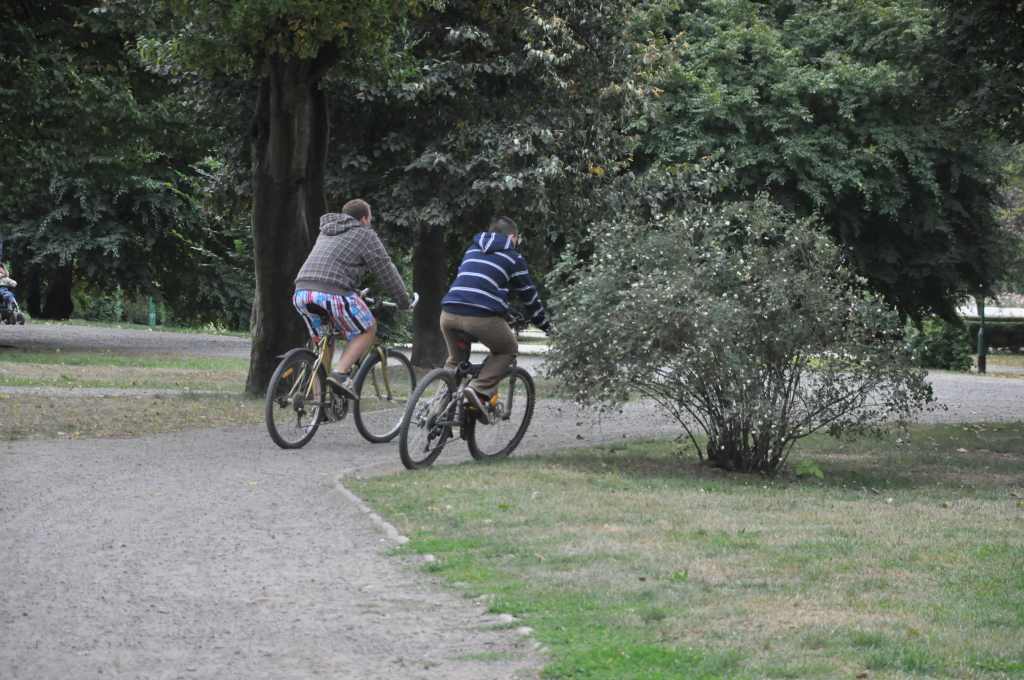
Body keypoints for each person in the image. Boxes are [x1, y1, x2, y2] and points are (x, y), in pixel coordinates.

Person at [293, 198, 411, 399]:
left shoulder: (326, 231)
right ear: (364, 218)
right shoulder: (364, 234)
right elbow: (385, 269)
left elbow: (332, 267)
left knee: (324, 341)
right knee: (367, 328)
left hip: (302, 292)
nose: (370, 223)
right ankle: (340, 373)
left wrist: (353, 292)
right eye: (370, 219)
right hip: (332, 293)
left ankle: (318, 402)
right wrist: (403, 301)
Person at [440, 216, 552, 423]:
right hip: (480, 317)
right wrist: (546, 326)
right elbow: (529, 296)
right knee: (507, 349)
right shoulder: (513, 256)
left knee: (455, 361)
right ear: (512, 237)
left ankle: (437, 410)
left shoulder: (472, 249)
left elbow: (475, 285)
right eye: (518, 239)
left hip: (448, 312)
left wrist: (503, 308)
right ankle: (478, 390)